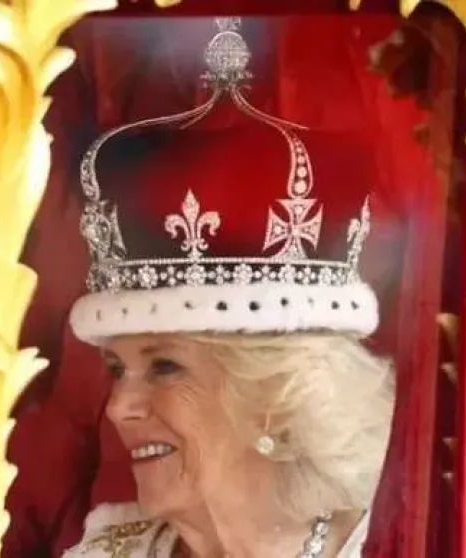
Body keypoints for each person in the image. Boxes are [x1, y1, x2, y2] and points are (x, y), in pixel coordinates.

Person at [61, 18, 395, 558]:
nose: (119, 407)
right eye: (117, 368)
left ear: (277, 396)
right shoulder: (104, 554)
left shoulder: (393, 548)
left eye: (165, 365)